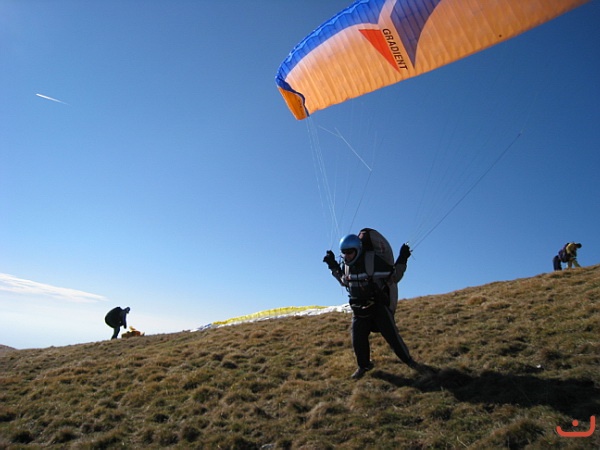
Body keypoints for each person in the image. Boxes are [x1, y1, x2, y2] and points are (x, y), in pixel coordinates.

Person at [323, 231, 428, 379]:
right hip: (359, 310)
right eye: (344, 253)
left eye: (350, 252)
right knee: (357, 340)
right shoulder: (347, 266)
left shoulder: (373, 262)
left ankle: (409, 361)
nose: (347, 256)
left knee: (392, 337)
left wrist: (403, 258)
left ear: (358, 250)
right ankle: (364, 366)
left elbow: (394, 276)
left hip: (378, 307)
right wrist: (332, 265)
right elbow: (344, 281)